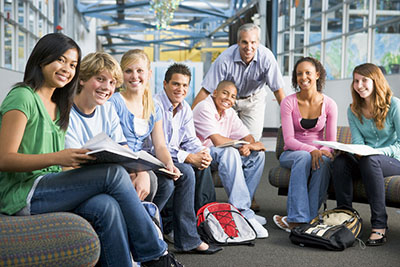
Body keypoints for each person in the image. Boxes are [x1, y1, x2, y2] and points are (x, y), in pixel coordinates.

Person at [0, 33, 182, 267]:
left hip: (51, 184)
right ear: (42, 59)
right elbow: (4, 159)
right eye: (61, 60)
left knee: (106, 206)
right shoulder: (23, 96)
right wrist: (59, 157)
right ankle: (156, 255)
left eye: (73, 64)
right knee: (113, 175)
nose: (67, 68)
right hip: (22, 193)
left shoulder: (58, 104)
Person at [109, 49, 221, 254]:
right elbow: (117, 144)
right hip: (123, 161)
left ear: (149, 74)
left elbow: (160, 145)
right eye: (128, 71)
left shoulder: (152, 105)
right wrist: (138, 169)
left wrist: (169, 165)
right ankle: (147, 230)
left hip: (144, 161)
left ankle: (182, 237)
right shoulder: (114, 102)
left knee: (181, 173)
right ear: (121, 74)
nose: (135, 76)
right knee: (169, 184)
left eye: (140, 71)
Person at [65, 51, 156, 202]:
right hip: (82, 177)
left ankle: (148, 219)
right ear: (82, 79)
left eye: (112, 82)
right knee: (113, 189)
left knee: (148, 179)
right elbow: (74, 165)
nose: (107, 87)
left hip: (106, 173)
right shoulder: (66, 113)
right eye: (100, 79)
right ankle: (149, 222)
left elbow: (123, 149)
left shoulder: (107, 109)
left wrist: (141, 172)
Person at [332, 63, 400, 246]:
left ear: (376, 81)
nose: (359, 85)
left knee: (371, 161)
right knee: (340, 162)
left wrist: (374, 152)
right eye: (356, 81)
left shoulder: (394, 105)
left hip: (393, 160)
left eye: (364, 80)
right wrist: (354, 151)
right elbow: (358, 143)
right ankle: (345, 218)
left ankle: (379, 225)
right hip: (368, 159)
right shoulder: (353, 109)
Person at [192, 80, 269, 238]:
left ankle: (241, 209)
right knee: (230, 152)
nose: (229, 98)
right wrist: (244, 145)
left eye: (233, 96)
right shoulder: (204, 107)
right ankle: (243, 213)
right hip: (201, 154)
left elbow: (248, 136)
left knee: (258, 155)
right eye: (225, 93)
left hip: (219, 154)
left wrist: (251, 146)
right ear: (215, 93)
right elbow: (217, 141)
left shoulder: (229, 112)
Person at [272, 57, 337, 232]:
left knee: (324, 160)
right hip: (292, 152)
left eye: (308, 72)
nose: (303, 77)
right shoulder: (288, 102)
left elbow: (330, 141)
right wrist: (310, 150)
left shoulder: (329, 104)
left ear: (317, 75)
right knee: (303, 156)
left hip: (317, 151)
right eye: (299, 73)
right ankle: (296, 218)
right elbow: (289, 140)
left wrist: (322, 150)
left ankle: (310, 217)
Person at [153, 63, 216, 239]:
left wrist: (202, 152)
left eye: (185, 85)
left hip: (172, 156)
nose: (180, 89)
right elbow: (156, 146)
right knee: (186, 169)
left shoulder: (185, 108)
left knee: (203, 166)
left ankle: (203, 219)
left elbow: (189, 139)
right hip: (154, 158)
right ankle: (172, 226)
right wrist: (188, 157)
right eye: (176, 84)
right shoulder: (154, 105)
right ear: (165, 84)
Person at [192, 23, 285, 142]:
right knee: (222, 139)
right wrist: (188, 118)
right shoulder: (224, 59)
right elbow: (206, 90)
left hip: (254, 99)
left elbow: (278, 91)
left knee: (252, 140)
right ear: (238, 42)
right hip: (229, 100)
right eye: (244, 42)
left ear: (258, 42)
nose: (249, 47)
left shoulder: (267, 58)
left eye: (253, 42)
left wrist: (289, 119)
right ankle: (230, 159)